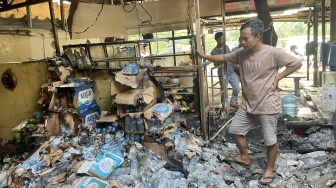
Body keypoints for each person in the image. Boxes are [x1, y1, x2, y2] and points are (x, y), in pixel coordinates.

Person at [196, 19, 302, 185]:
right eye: (240, 38)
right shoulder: (241, 53)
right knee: (235, 129)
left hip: (267, 104)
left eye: (246, 38)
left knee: (270, 140)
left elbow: (296, 63)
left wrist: (278, 78)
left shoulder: (274, 52)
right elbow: (223, 57)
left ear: (258, 37)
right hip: (247, 104)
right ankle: (245, 157)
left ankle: (270, 168)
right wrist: (203, 56)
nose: (242, 42)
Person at [211, 32, 240, 109]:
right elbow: (215, 64)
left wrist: (236, 65)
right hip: (222, 73)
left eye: (223, 38)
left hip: (231, 72)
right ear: (216, 40)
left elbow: (231, 57)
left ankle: (233, 102)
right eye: (220, 39)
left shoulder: (226, 47)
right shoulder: (214, 52)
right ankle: (224, 106)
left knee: (237, 88)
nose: (222, 40)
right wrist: (220, 61)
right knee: (224, 91)